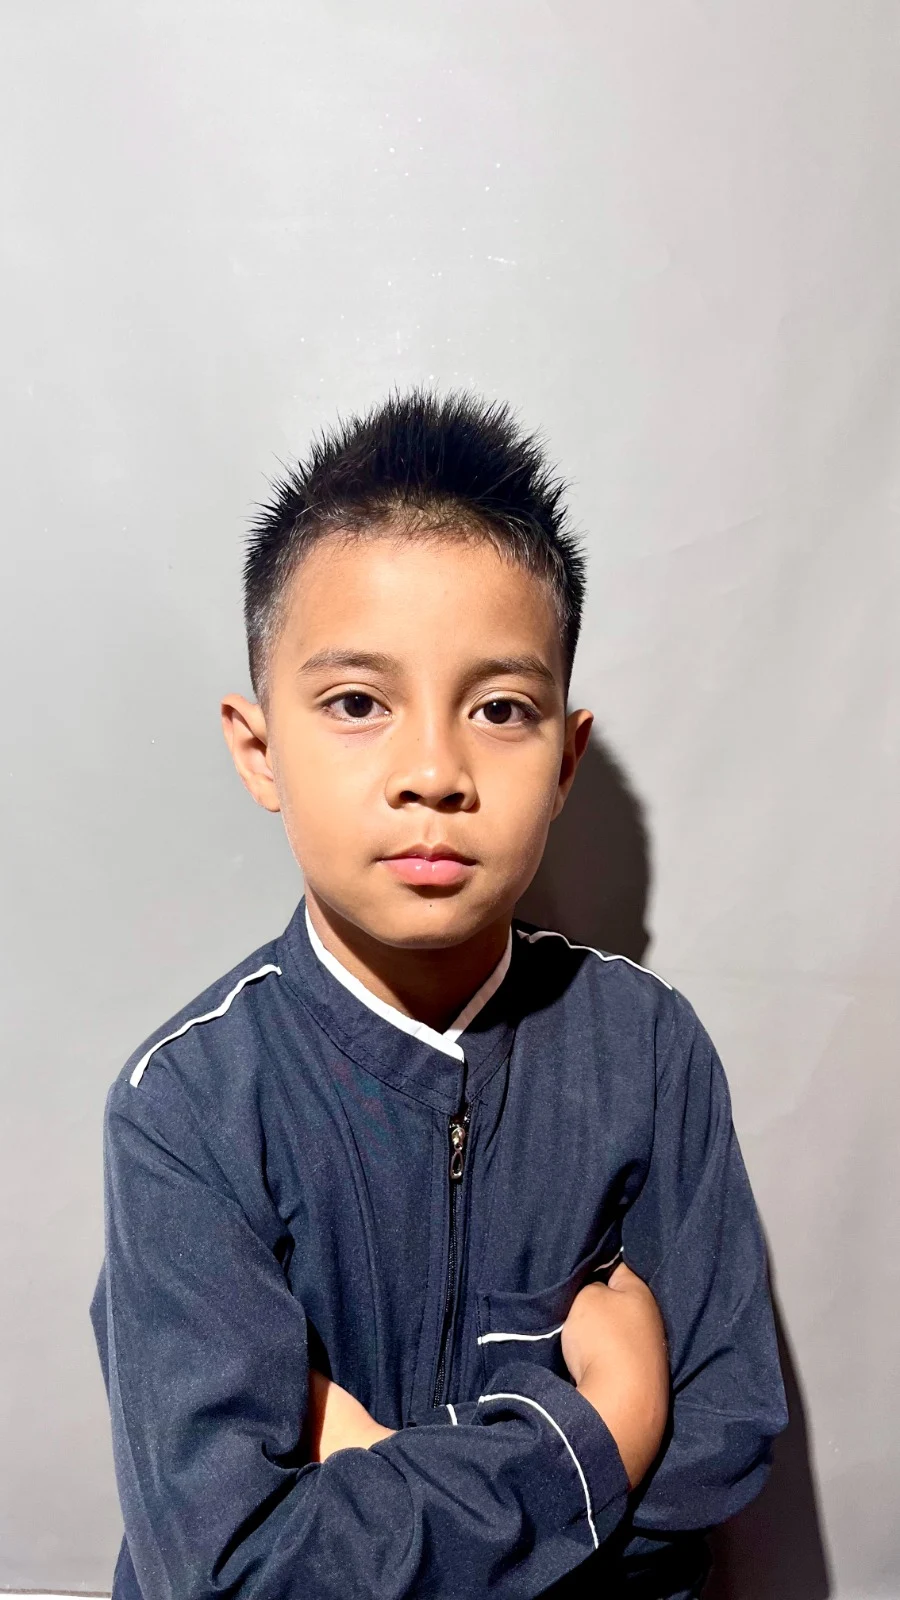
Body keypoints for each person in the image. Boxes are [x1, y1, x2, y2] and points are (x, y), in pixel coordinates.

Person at [89, 389, 788, 1600]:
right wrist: (609, 1426)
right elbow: (233, 1566)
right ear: (260, 748)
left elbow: (720, 1450)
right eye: (358, 704)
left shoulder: (647, 1050)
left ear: (564, 760)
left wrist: (381, 1479)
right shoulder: (186, 1102)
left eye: (500, 709)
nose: (432, 772)